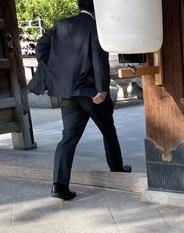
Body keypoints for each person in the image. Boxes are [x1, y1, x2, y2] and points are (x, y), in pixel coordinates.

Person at [36, 0, 130, 201]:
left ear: (79, 5)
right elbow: (99, 58)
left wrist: (52, 70)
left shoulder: (61, 25)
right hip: (91, 93)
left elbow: (41, 45)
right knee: (108, 130)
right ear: (96, 7)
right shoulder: (96, 27)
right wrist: (102, 88)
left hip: (68, 92)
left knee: (68, 137)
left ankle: (58, 184)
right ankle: (117, 169)